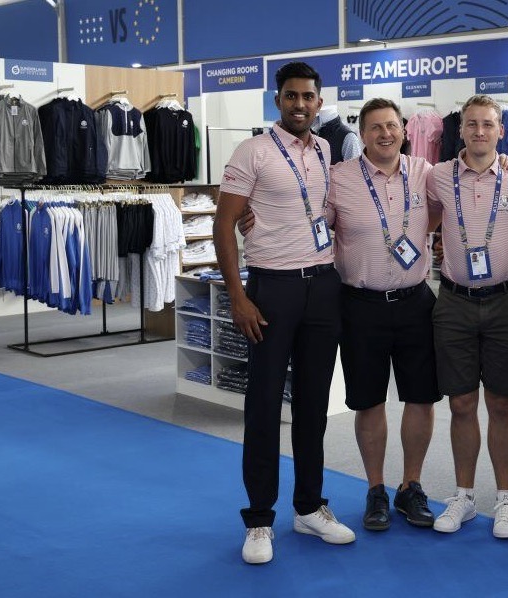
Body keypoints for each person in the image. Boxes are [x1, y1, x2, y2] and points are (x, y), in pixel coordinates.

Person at [214, 61, 355, 566]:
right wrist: (238, 295)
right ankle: (258, 518)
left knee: (314, 405)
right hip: (271, 288)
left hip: (322, 285)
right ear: (279, 100)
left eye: (308, 97)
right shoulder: (251, 150)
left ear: (320, 102)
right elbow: (224, 224)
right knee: (264, 403)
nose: (300, 105)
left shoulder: (325, 150)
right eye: (291, 96)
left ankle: (309, 506)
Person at [327, 98, 442, 532]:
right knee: (368, 400)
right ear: (363, 131)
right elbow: (313, 225)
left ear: (404, 130)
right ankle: (375, 489)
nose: (385, 134)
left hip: (415, 303)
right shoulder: (339, 179)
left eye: (392, 126)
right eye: (375, 127)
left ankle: (410, 486)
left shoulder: (426, 174)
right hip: (361, 306)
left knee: (420, 397)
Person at [425, 95, 508, 538]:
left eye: (488, 124)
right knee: (461, 402)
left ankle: (505, 500)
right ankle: (464, 495)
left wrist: (505, 248)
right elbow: (424, 220)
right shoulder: (438, 176)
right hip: (453, 301)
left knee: (501, 403)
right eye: (472, 124)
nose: (480, 132)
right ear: (461, 130)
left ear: (501, 131)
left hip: (506, 300)